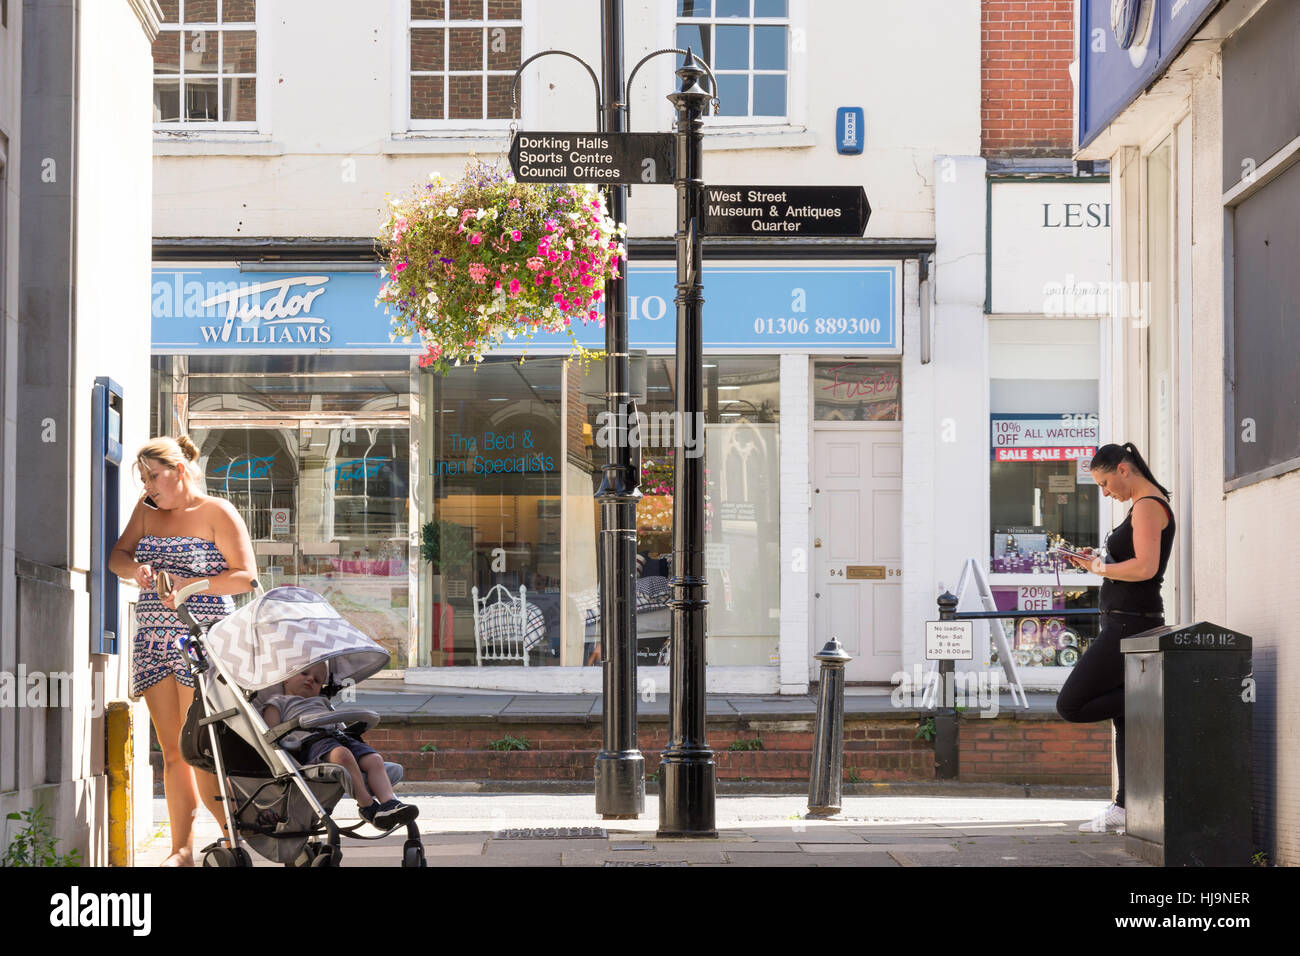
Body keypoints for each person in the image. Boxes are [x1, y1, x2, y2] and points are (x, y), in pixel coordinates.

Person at [109, 435, 259, 866]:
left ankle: (237, 838)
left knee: (199, 750)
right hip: (153, 638)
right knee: (172, 750)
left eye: (153, 476)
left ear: (179, 470)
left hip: (202, 638)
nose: (148, 486)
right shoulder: (147, 511)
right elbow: (118, 555)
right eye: (143, 478)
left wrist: (191, 585)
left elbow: (246, 577)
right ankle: (182, 851)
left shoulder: (217, 512)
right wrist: (134, 568)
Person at [1057, 442, 1176, 834]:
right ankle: (1124, 807)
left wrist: (1100, 567)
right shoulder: (1139, 506)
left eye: (1105, 483)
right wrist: (1099, 558)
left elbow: (1144, 567)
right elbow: (1131, 561)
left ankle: (1151, 697)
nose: (1105, 492)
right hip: (1123, 622)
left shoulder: (1147, 505)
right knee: (1122, 719)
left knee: (1071, 704)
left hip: (1130, 623)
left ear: (1123, 469)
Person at [261, 662, 419, 830]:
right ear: (286, 679)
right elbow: (273, 734)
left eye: (317, 680)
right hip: (311, 744)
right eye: (304, 673)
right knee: (342, 755)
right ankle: (367, 806)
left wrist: (348, 733)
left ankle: (389, 803)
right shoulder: (278, 702)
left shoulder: (321, 701)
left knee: (374, 759)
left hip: (338, 738)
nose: (310, 680)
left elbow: (338, 725)